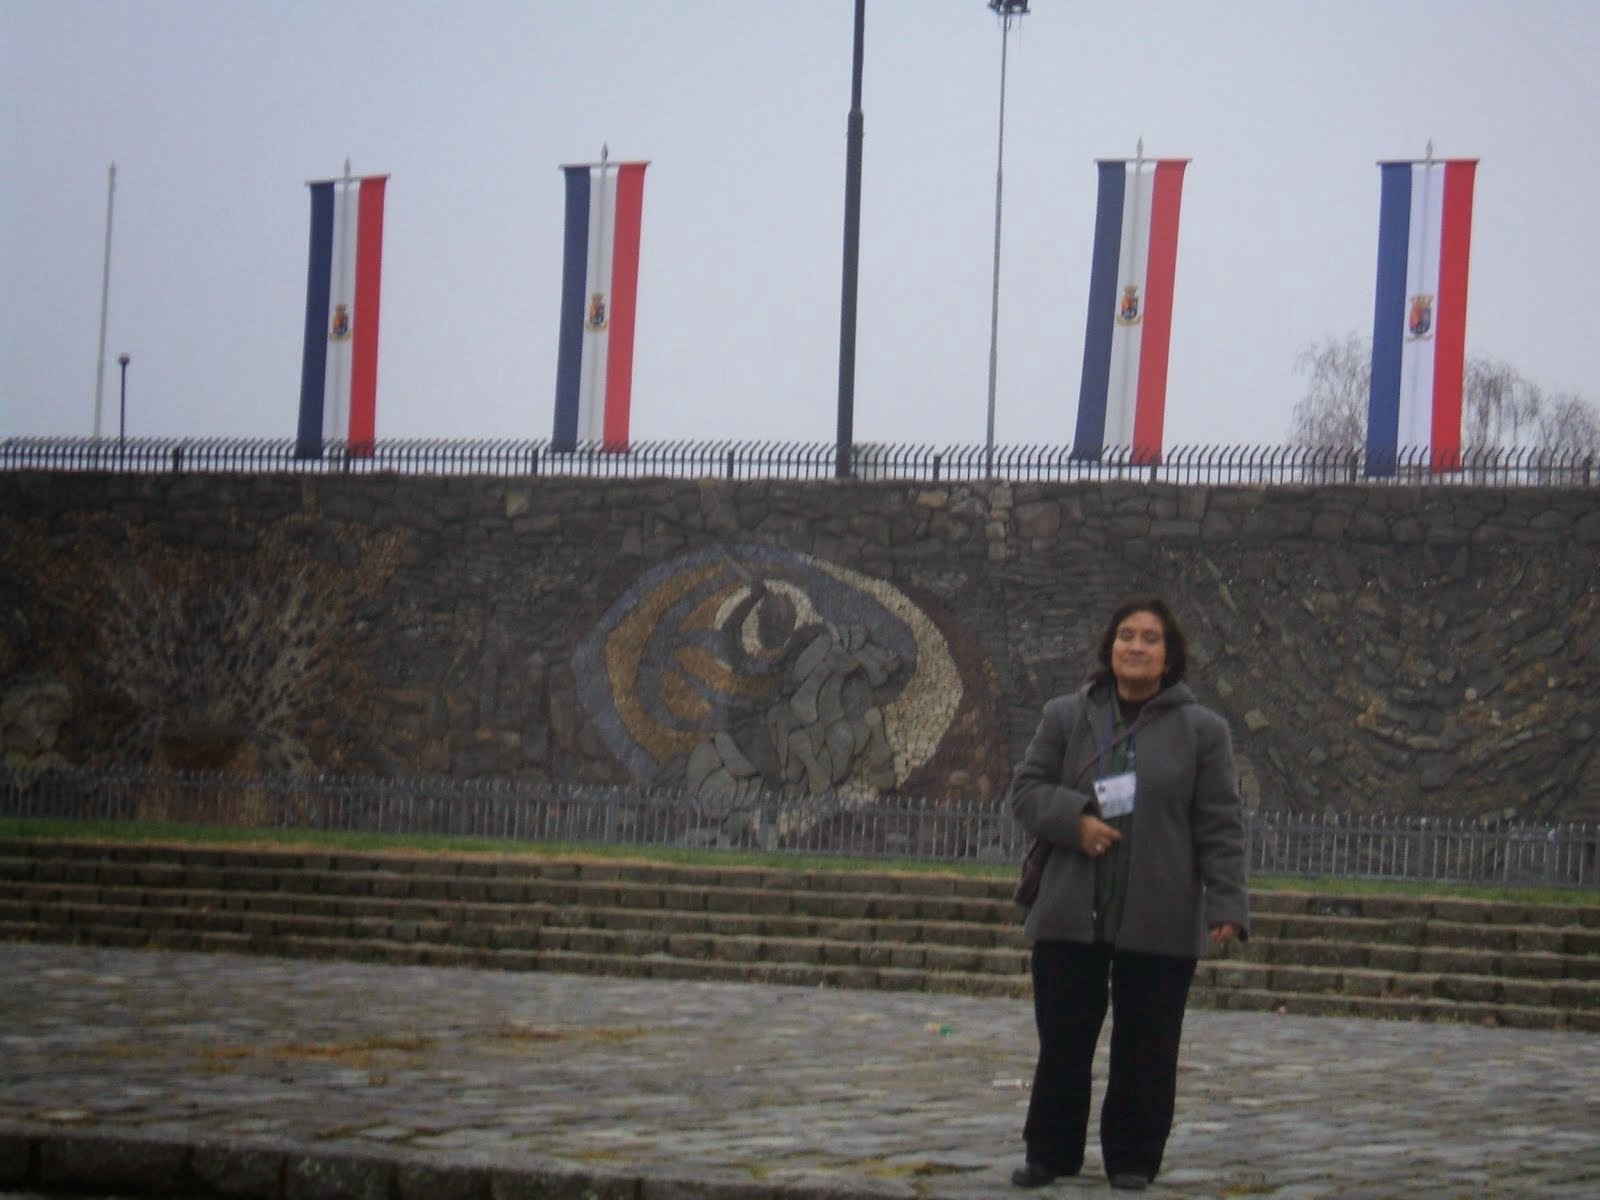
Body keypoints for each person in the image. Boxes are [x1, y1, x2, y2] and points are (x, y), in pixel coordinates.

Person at [1007, 597, 1249, 1192]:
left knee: (1147, 1044)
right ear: (1109, 648)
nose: (1135, 647)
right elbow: (1026, 792)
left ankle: (1134, 1157)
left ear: (1169, 658)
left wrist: (1226, 903)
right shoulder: (1066, 716)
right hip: (1071, 908)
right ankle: (1051, 1152)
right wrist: (1077, 820)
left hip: (1160, 911)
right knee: (1063, 1039)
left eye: (1149, 638)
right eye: (1125, 636)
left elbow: (1219, 823)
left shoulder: (1203, 732)